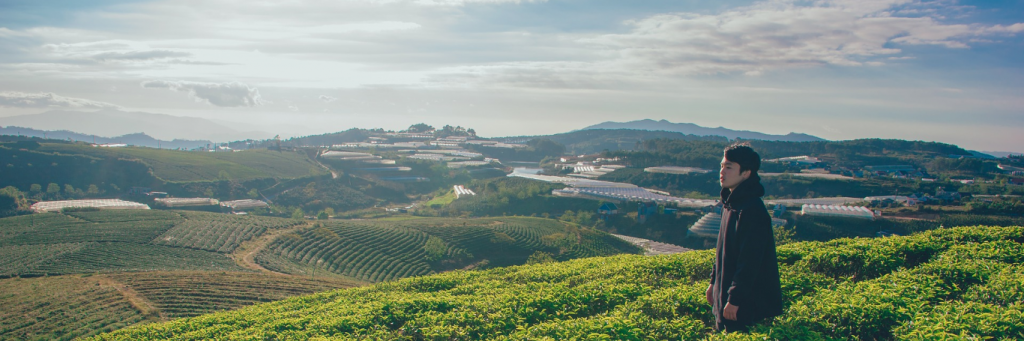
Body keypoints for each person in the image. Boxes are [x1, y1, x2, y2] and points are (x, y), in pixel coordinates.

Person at [705, 143, 783, 333]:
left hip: (745, 306)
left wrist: (735, 299)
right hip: (727, 299)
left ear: (746, 173)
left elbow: (750, 261)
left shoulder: (752, 211)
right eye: (722, 166)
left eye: (729, 167)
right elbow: (722, 251)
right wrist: (713, 282)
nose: (722, 171)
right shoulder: (729, 205)